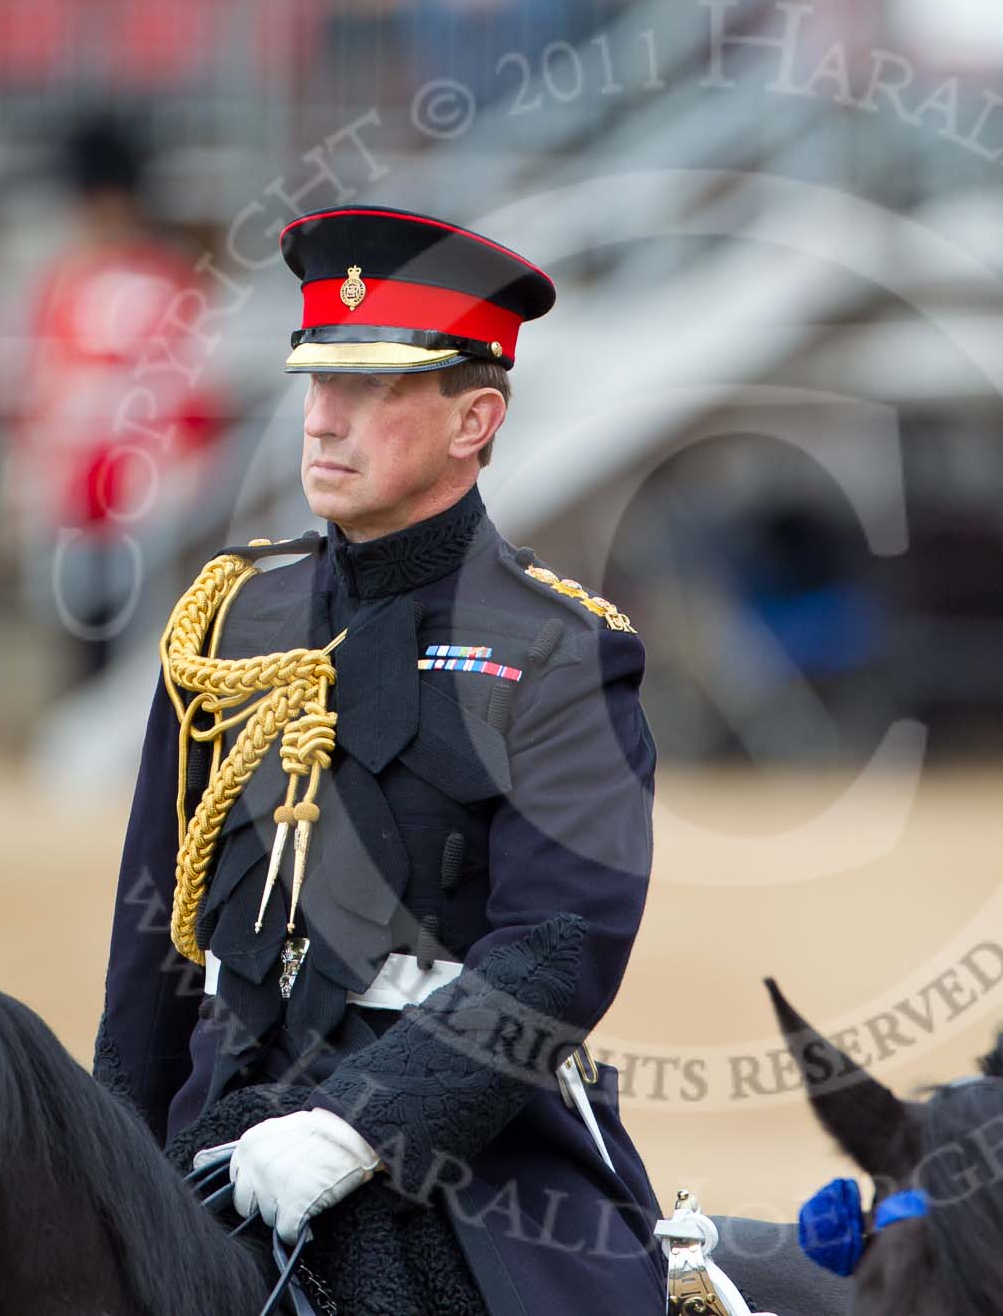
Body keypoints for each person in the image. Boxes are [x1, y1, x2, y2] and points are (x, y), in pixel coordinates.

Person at [94, 204, 667, 1313]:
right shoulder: (226, 622)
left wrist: (361, 1127)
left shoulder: (560, 653)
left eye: (371, 390)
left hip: (464, 1165)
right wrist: (111, 1156)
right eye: (319, 385)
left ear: (473, 419)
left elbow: (554, 956)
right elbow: (149, 942)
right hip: (216, 1130)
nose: (324, 423)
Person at [16, 115, 221, 683]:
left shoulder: (171, 278)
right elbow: (44, 381)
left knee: (147, 629)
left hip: (144, 479)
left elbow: (192, 382)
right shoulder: (62, 280)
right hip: (77, 479)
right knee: (77, 622)